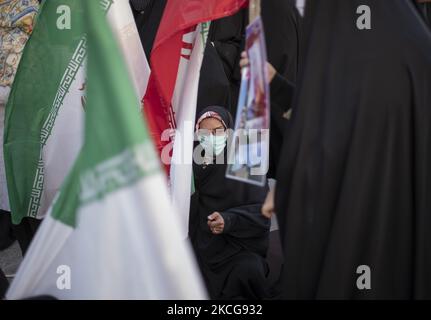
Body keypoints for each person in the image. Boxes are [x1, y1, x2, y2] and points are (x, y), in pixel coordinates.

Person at [263, 0, 431, 299]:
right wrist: (275, 84)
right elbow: (334, 114)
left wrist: (289, 184)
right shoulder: (405, 40)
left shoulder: (365, 59)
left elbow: (331, 141)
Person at [189, 106, 271, 299]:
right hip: (203, 245)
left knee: (248, 271)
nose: (210, 137)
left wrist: (229, 220)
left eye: (217, 131)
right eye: (204, 132)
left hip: (238, 247)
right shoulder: (191, 164)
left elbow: (262, 213)